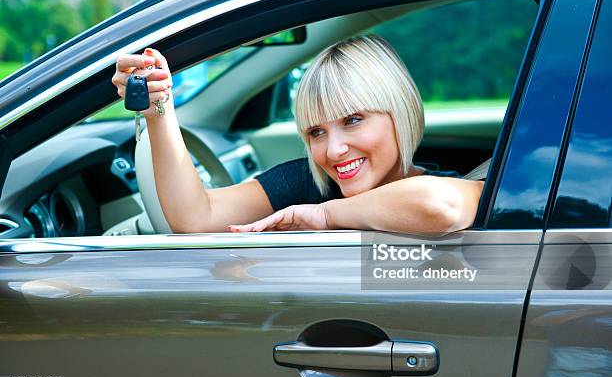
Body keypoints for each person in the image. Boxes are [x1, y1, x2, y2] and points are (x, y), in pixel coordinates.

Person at [112, 34, 484, 234]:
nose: (334, 150)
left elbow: (438, 206)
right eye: (317, 132)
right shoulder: (309, 184)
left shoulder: (444, 186)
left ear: (399, 113)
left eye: (353, 119)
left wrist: (323, 218)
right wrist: (159, 110)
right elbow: (195, 217)